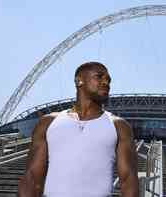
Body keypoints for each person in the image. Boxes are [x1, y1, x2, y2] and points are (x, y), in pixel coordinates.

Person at [18, 62, 139, 197]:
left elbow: (128, 180)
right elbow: (32, 178)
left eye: (108, 80)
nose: (106, 82)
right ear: (79, 80)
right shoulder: (49, 122)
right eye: (99, 77)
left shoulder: (119, 126)